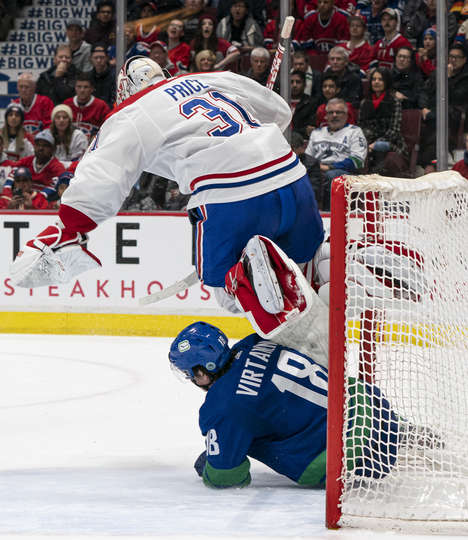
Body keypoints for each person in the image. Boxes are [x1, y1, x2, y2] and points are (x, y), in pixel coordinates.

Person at [12, 56, 324, 337]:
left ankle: (249, 272)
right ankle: (331, 265)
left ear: (126, 87)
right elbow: (279, 112)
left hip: (230, 192)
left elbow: (101, 176)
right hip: (291, 174)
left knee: (224, 290)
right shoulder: (210, 78)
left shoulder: (132, 113)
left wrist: (70, 228)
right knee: (304, 263)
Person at [168, 321, 400, 488]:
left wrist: (212, 464)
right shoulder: (253, 342)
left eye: (190, 373)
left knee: (241, 433)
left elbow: (226, 476)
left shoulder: (222, 406)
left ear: (202, 370)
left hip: (352, 455)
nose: (191, 379)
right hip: (372, 403)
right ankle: (405, 432)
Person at [305, 98, 367, 209]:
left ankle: (330, 215)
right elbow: (307, 157)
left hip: (343, 172)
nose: (334, 115)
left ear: (346, 115)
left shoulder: (354, 132)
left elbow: (358, 161)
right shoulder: (317, 133)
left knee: (332, 177)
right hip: (317, 170)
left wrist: (330, 167)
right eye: (330, 112)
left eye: (338, 112)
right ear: (326, 116)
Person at [418, 43, 468, 172]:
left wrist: (449, 79)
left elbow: (457, 97)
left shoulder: (465, 77)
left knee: (437, 131)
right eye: (451, 56)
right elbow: (424, 91)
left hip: (453, 115)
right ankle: (427, 163)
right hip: (433, 113)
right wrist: (423, 107)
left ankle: (429, 164)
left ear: (464, 59)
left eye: (457, 57)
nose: (452, 60)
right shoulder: (438, 72)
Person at [358, 66, 408, 176]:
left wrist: (374, 144)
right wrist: (368, 142)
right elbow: (360, 126)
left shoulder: (394, 101)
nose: (376, 82)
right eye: (374, 79)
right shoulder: (365, 102)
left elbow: (394, 131)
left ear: (386, 82)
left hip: (391, 142)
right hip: (369, 141)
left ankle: (377, 174)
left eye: (380, 79)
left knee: (379, 146)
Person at [0, 130, 65, 207]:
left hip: (44, 203)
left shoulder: (57, 168)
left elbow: (51, 191)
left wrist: (34, 202)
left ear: (52, 149)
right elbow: (9, 180)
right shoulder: (26, 161)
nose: (40, 148)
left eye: (45, 146)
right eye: (38, 145)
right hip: (24, 197)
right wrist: (8, 200)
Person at [63, 72, 111, 139]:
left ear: (92, 89)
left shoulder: (101, 106)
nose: (82, 90)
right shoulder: (67, 104)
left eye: (86, 87)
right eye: (79, 87)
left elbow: (108, 129)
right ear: (75, 88)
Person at [86, 43, 116, 107]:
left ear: (107, 58)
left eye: (102, 57)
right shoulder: (87, 77)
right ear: (90, 59)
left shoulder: (115, 76)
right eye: (96, 58)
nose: (99, 60)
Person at [290, 70, 317, 138]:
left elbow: (309, 129)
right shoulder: (281, 100)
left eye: (298, 82)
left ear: (304, 85)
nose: (294, 85)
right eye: (291, 82)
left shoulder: (311, 103)